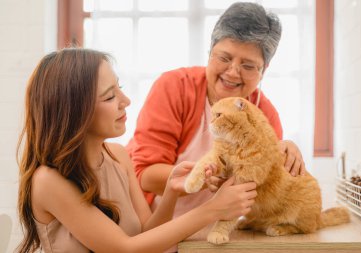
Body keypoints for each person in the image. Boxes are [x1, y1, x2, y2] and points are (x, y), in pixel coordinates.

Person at [16, 48, 257, 253]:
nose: (126, 100)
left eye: (118, 88)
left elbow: (147, 233)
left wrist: (171, 191)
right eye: (110, 97)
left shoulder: (118, 156)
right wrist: (212, 210)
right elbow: (125, 249)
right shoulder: (48, 182)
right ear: (73, 112)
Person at [127, 2, 306, 218]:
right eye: (224, 58)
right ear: (210, 51)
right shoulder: (175, 87)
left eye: (248, 66)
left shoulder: (264, 115)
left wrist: (284, 157)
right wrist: (203, 177)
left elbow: (263, 191)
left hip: (216, 234)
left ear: (264, 70)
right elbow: (145, 175)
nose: (232, 72)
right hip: (156, 224)